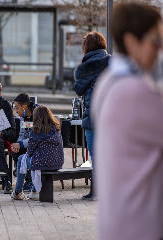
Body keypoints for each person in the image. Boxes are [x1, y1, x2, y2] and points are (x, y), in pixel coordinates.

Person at [91, 3, 163, 240]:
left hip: (118, 220)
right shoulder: (135, 92)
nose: (159, 49)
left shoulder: (109, 80)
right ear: (132, 42)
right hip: (141, 224)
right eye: (156, 41)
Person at [73, 31, 110, 200]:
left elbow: (78, 89)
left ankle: (97, 191)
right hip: (113, 116)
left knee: (96, 155)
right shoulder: (113, 61)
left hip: (94, 117)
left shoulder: (86, 66)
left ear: (86, 47)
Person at [11, 105, 64, 200]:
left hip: (43, 164)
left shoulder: (36, 131)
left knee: (21, 159)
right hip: (57, 163)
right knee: (37, 158)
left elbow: (30, 152)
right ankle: (34, 191)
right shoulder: (56, 129)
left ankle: (18, 192)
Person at [11, 93, 37, 192]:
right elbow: (22, 134)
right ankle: (27, 180)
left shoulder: (37, 114)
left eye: (17, 108)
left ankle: (32, 181)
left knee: (27, 152)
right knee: (15, 152)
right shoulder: (23, 117)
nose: (16, 111)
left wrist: (21, 144)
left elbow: (35, 138)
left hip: (38, 145)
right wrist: (18, 144)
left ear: (24, 106)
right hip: (29, 143)